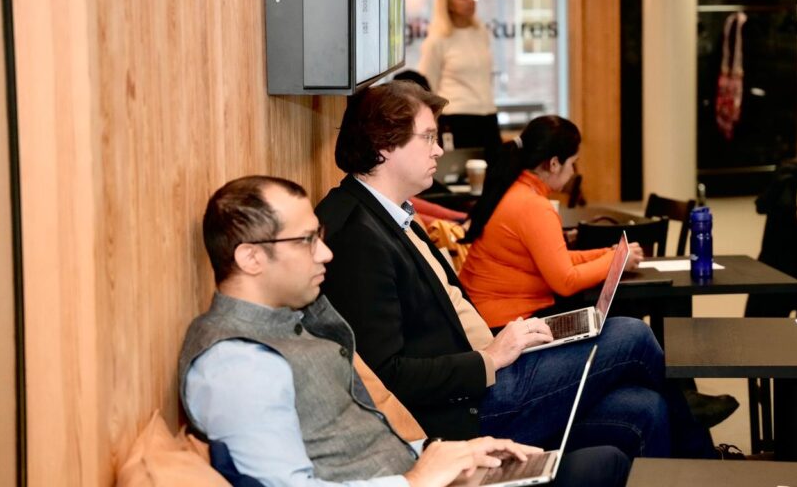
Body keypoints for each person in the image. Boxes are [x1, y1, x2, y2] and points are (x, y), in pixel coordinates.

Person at [315, 80, 717, 460]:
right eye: (429, 137)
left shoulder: (389, 214)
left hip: (486, 367)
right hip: (467, 405)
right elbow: (388, 376)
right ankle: (706, 460)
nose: (438, 150)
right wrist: (491, 357)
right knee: (633, 334)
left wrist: (502, 346)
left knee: (644, 409)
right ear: (384, 145)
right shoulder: (357, 237)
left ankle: (695, 462)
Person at [179, 175, 631, 487]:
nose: (326, 255)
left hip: (421, 467)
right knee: (606, 456)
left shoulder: (291, 322)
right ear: (250, 259)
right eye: (306, 241)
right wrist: (417, 479)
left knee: (619, 439)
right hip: (415, 480)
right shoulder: (234, 365)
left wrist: (451, 454)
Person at [458, 115, 644, 328]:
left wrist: (606, 254)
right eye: (573, 163)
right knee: (626, 319)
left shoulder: (511, 189)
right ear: (554, 163)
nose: (573, 172)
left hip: (490, 316)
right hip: (506, 324)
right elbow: (566, 281)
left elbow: (555, 261)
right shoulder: (533, 206)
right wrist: (616, 261)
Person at [418, 0, 502, 160]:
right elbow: (427, 87)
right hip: (457, 118)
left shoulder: (480, 32)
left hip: (488, 115)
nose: (471, 0)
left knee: (495, 175)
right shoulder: (437, 40)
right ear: (448, 4)